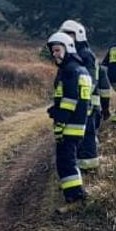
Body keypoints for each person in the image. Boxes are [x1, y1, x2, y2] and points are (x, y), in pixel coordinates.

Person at [45, 32, 92, 202]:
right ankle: (74, 196)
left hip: (70, 125)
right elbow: (80, 99)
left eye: (57, 50)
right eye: (53, 51)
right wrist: (55, 109)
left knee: (66, 162)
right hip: (78, 124)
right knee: (68, 160)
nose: (54, 54)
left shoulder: (70, 71)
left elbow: (70, 100)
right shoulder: (81, 69)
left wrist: (60, 121)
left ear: (68, 48)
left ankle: (76, 198)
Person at [61, 19, 107, 173]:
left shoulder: (86, 55)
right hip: (79, 104)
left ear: (79, 35)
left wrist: (80, 98)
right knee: (78, 139)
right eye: (65, 34)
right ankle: (80, 169)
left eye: (70, 34)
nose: (67, 37)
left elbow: (91, 81)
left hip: (88, 105)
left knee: (87, 139)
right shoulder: (71, 55)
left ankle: (89, 172)